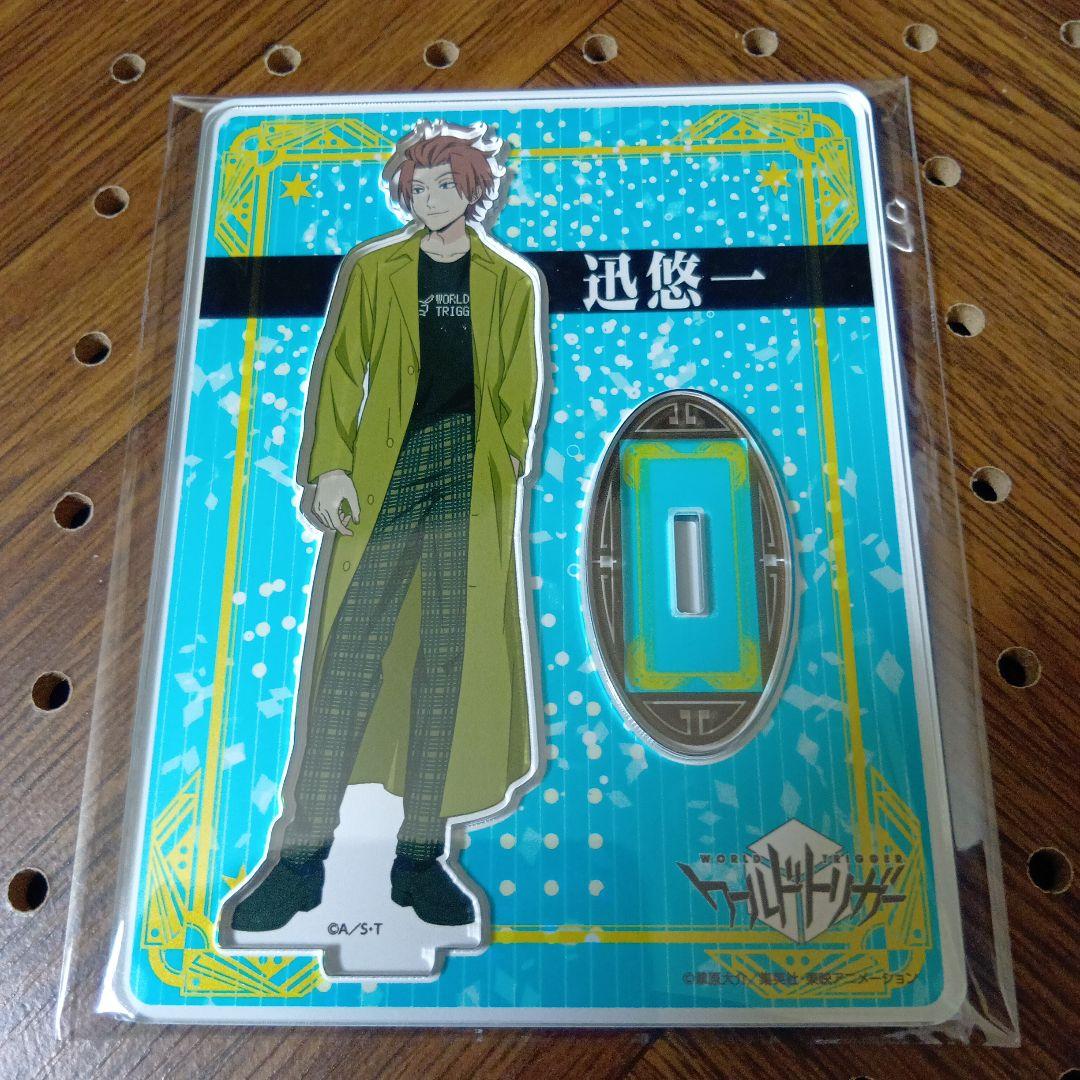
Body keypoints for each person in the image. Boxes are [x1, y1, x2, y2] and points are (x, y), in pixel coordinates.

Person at [227, 120, 543, 931]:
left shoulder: (509, 283)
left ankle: (420, 860)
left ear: (474, 189)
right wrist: (331, 466)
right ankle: (299, 862)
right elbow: (342, 369)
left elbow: (519, 389)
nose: (430, 199)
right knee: (348, 660)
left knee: (447, 665)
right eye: (418, 188)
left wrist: (505, 459)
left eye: (444, 185)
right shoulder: (376, 269)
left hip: (469, 482)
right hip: (386, 477)